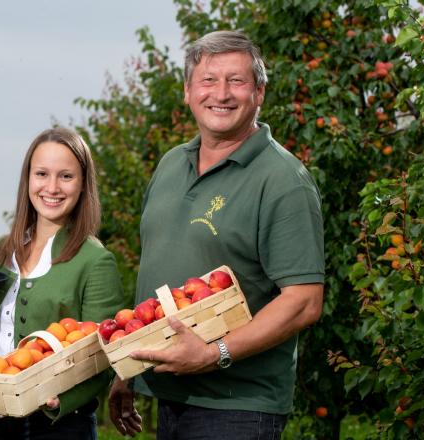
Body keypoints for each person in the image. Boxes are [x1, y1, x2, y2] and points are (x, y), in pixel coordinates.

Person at [107, 30, 326, 439]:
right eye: (208, 80)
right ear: (188, 92)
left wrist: (213, 354)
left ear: (259, 92)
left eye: (236, 81)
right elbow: (159, 270)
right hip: (171, 398)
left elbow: (304, 302)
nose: (221, 93)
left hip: (236, 408)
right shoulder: (172, 165)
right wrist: (130, 368)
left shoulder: (283, 180)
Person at [0, 127, 130, 439]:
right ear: (28, 180)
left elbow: (104, 355)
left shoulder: (94, 260)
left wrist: (64, 399)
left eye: (66, 176)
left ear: (83, 184)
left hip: (62, 425)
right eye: (42, 174)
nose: (52, 187)